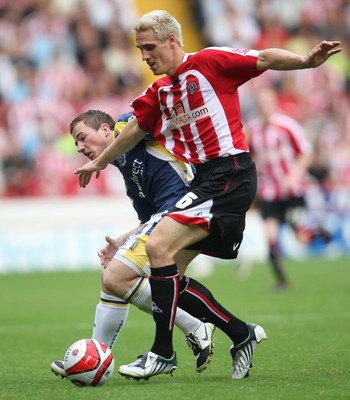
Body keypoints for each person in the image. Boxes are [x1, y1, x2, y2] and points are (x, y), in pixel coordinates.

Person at [73, 10, 341, 381]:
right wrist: (99, 162)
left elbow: (262, 58)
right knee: (167, 278)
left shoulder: (209, 62)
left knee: (157, 248)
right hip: (205, 182)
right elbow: (134, 129)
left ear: (172, 41)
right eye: (139, 50)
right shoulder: (159, 92)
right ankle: (240, 333)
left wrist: (305, 61)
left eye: (150, 47)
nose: (145, 56)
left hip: (231, 172)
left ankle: (162, 353)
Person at [51, 109, 259, 379]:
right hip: (171, 214)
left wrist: (101, 160)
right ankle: (240, 333)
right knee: (151, 282)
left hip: (191, 205)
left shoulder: (126, 125)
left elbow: (159, 115)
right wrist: (123, 241)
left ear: (105, 129)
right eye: (76, 143)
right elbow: (148, 219)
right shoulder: (126, 171)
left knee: (116, 276)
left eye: (82, 137)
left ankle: (190, 329)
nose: (79, 147)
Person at [246, 87, 314, 291]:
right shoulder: (254, 130)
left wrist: (294, 175)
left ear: (275, 103)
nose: (264, 107)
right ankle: (282, 280)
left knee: (301, 235)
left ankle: (322, 233)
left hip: (292, 191)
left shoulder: (287, 126)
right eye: (261, 103)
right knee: (271, 236)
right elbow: (251, 158)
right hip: (268, 192)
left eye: (268, 102)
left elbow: (307, 153)